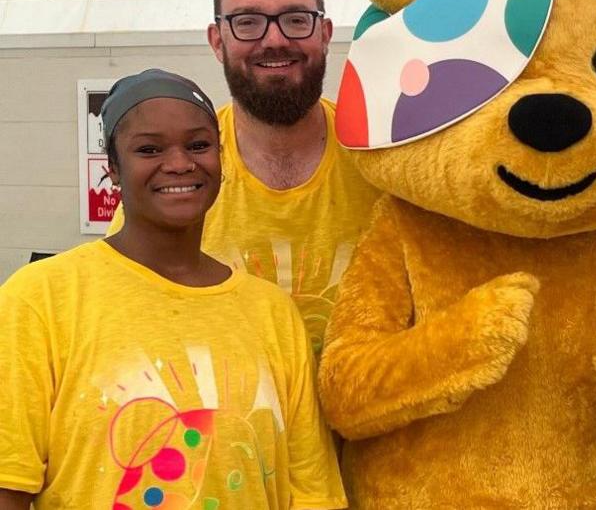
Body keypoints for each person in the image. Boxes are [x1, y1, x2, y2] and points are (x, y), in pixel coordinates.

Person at [0, 69, 346, 509]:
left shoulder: (272, 313)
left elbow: (314, 495)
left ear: (220, 160)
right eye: (149, 149)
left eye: (199, 145)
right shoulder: (41, 299)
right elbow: (9, 485)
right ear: (113, 168)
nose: (180, 162)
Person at [111, 0, 381, 356]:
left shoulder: (383, 160)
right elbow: (127, 313)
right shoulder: (179, 176)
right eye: (248, 22)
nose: (275, 40)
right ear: (218, 41)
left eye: (295, 19)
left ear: (325, 34)